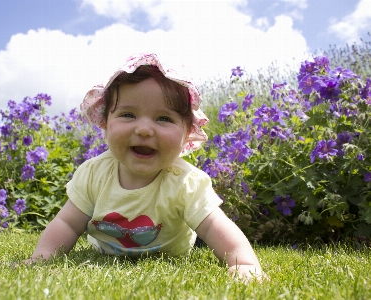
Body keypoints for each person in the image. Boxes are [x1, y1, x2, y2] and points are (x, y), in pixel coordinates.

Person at [27, 53, 265, 280]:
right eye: (128, 114)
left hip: (172, 252)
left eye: (163, 118)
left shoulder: (186, 182)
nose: (143, 129)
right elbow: (67, 223)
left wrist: (243, 263)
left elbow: (215, 226)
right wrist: (43, 258)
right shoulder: (93, 174)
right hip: (104, 252)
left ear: (186, 134)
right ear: (106, 124)